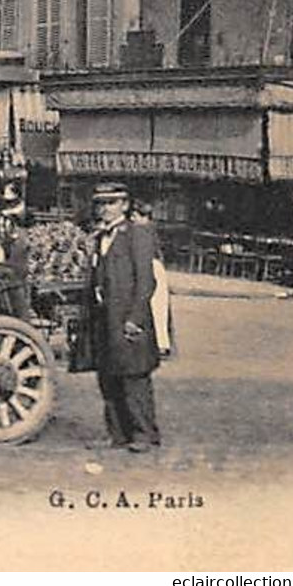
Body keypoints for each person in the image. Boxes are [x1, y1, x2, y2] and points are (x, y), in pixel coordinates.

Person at [84, 183, 161, 452]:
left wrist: (136, 318)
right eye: (101, 204)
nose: (104, 209)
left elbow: (146, 281)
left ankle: (144, 434)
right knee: (109, 376)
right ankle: (116, 434)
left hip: (128, 318)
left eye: (111, 203)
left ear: (125, 205)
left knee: (134, 376)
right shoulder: (100, 236)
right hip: (104, 318)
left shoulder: (136, 234)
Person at [130, 197, 174, 359]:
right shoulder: (150, 228)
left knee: (156, 306)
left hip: (151, 267)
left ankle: (161, 344)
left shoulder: (141, 230)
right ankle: (161, 342)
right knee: (159, 307)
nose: (132, 219)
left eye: (134, 216)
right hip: (156, 267)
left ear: (141, 216)